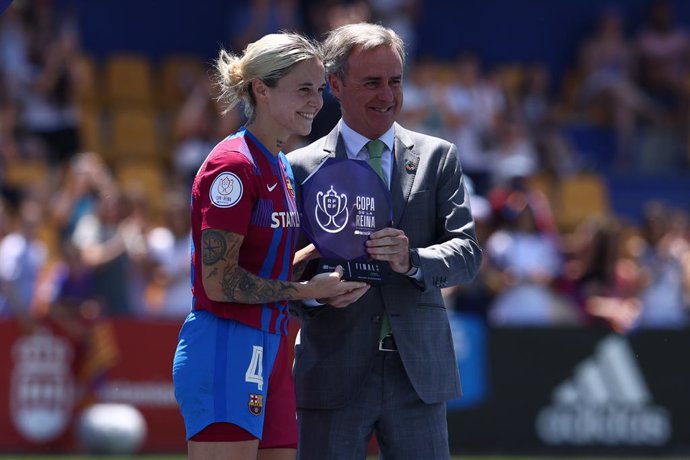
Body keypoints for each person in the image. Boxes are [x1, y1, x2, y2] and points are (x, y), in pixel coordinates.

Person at [287, 23, 482, 460]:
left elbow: (467, 253)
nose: (387, 95)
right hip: (333, 368)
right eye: (371, 82)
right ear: (335, 85)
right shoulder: (297, 168)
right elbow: (284, 274)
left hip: (417, 372)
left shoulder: (439, 157)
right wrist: (318, 296)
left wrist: (412, 259)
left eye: (395, 81)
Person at [171, 32, 367, 460]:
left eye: (318, 90)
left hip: (270, 344)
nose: (316, 102)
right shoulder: (234, 167)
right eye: (303, 89)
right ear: (261, 88)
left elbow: (260, 265)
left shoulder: (277, 161)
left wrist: (317, 256)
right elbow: (219, 282)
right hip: (226, 342)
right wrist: (307, 292)